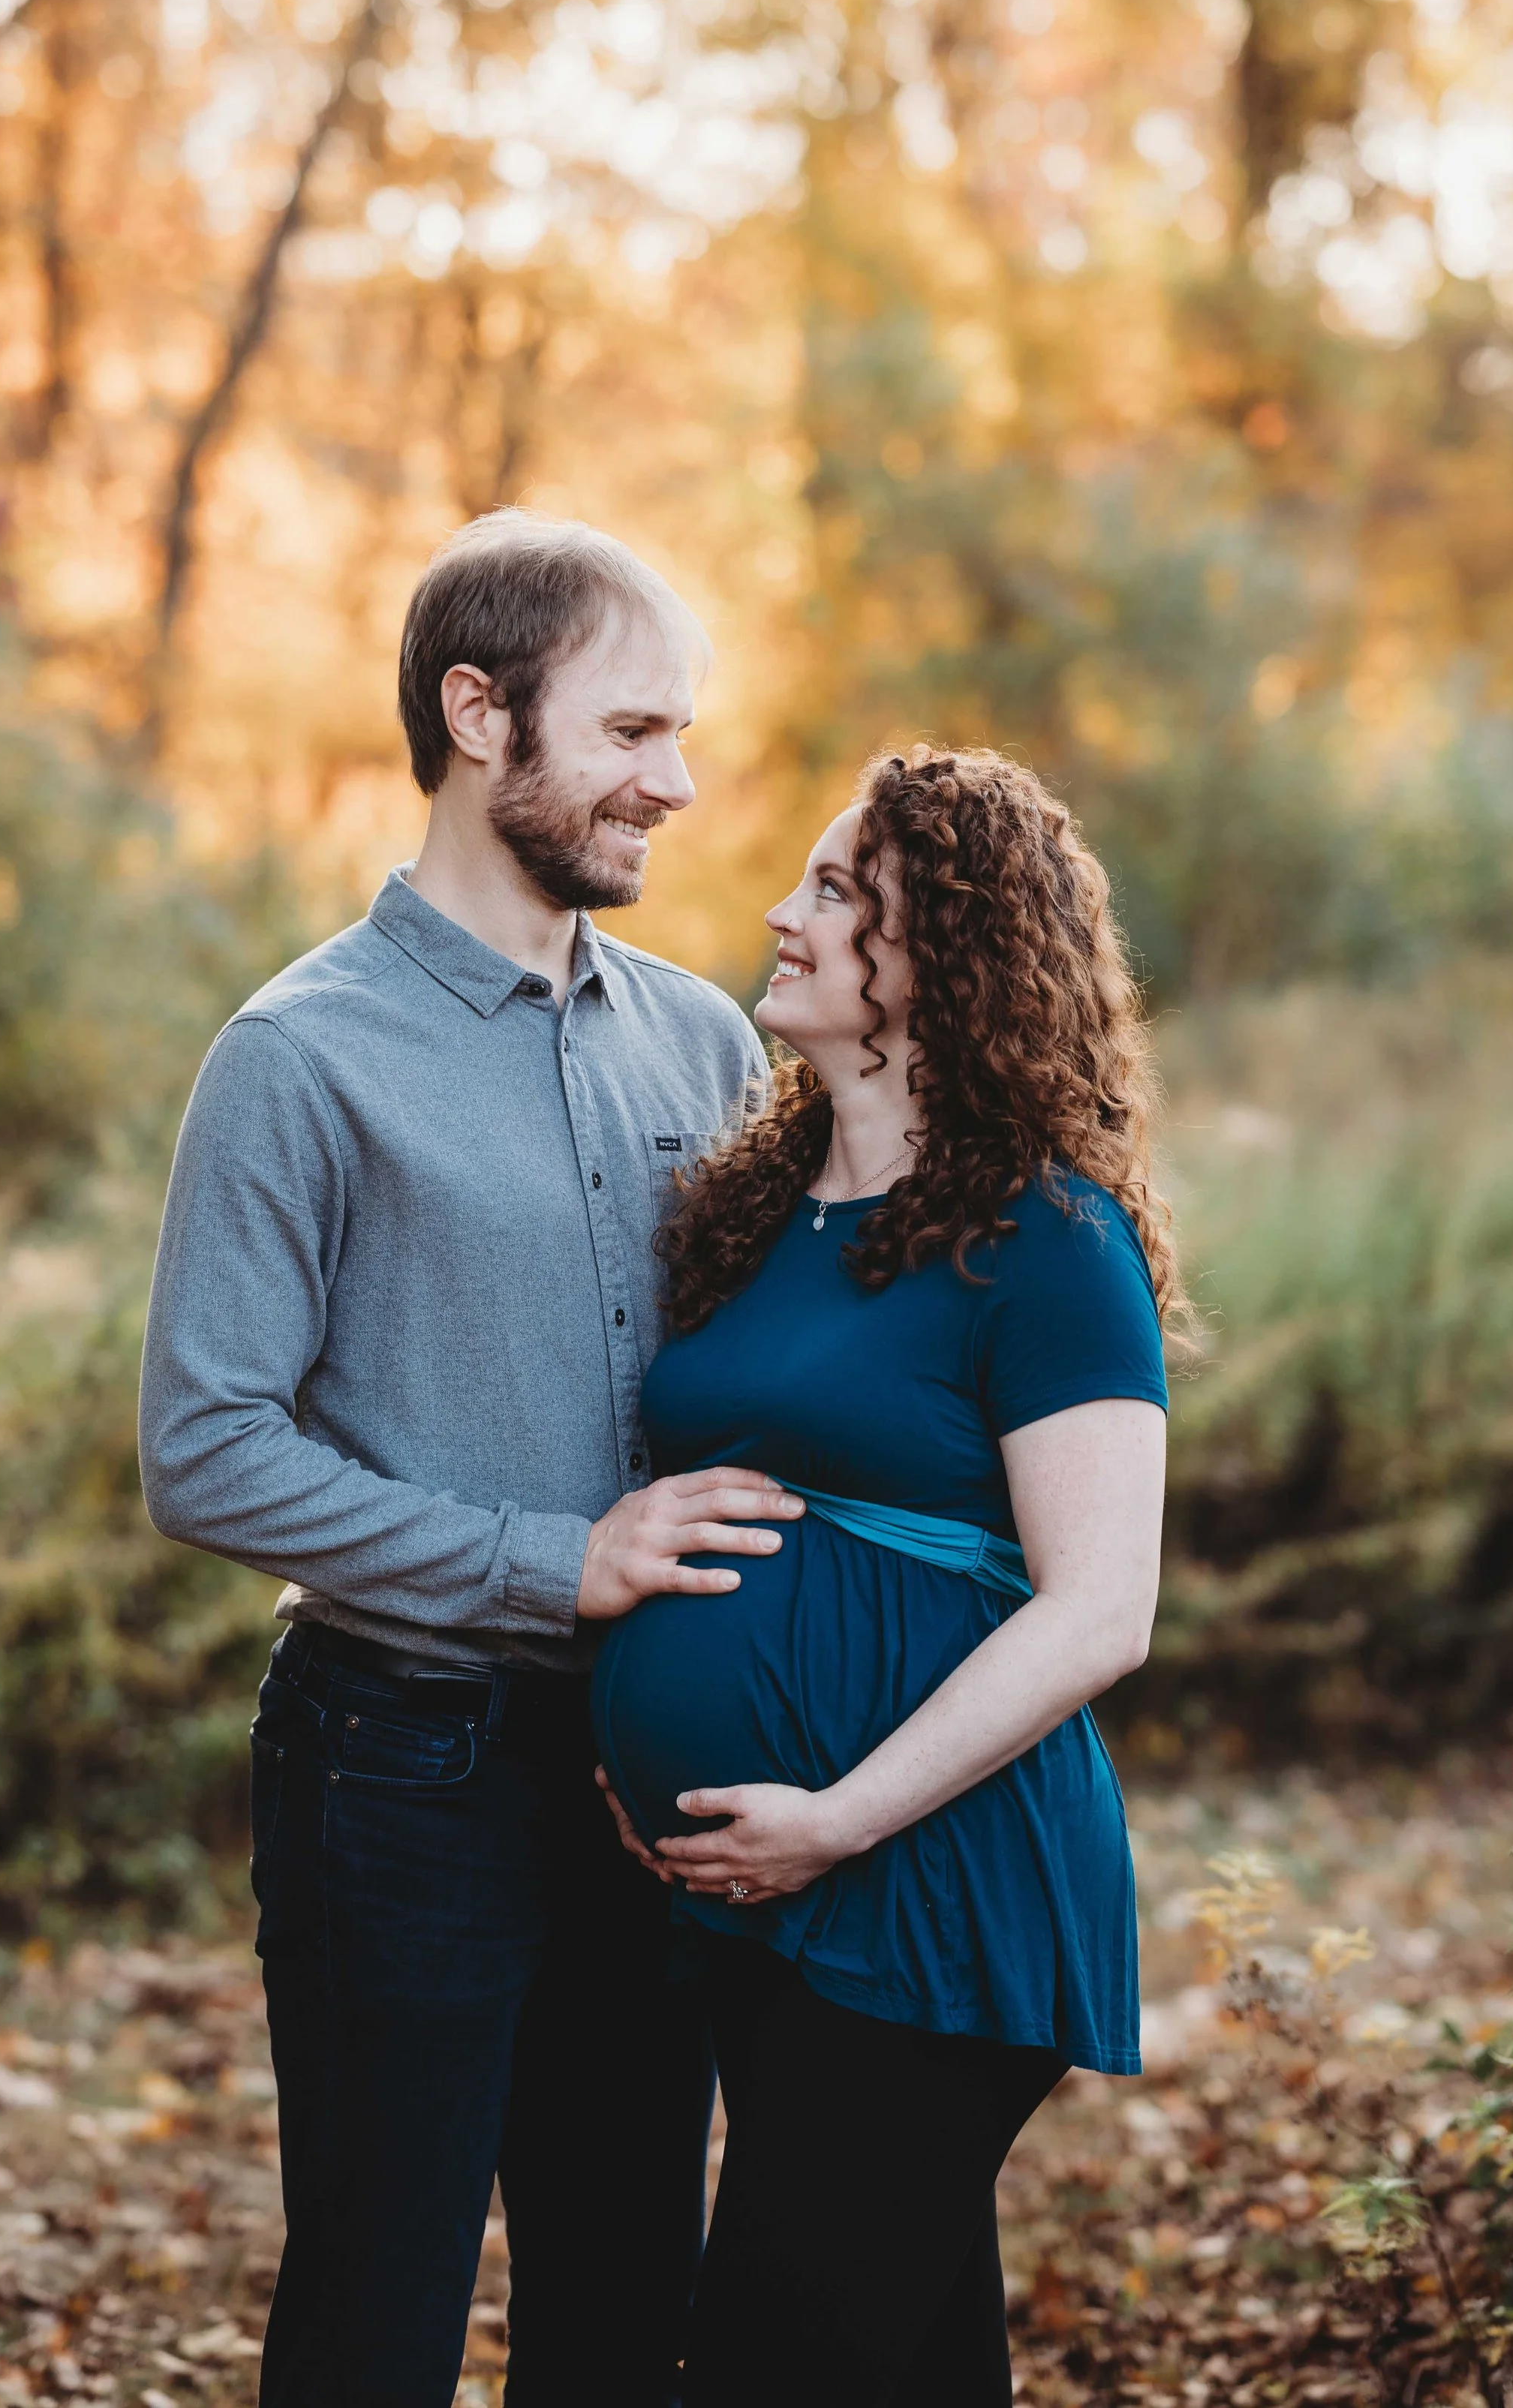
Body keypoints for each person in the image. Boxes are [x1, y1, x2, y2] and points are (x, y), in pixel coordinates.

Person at [137, 510, 799, 2408]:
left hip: (649, 1771)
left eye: (682, 737)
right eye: (630, 733)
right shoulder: (297, 1055)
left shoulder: (701, 1046)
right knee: (376, 2305)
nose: (673, 784)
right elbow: (205, 1450)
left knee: (618, 2307)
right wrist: (552, 1558)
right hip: (393, 1771)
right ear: (474, 713)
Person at [591, 744, 1176, 2408]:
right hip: (758, 1894)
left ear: (951, 954)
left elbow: (1100, 1605)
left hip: (939, 1885)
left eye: (839, 890)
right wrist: (627, 1732)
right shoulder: (759, 1203)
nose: (783, 911)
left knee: (769, 2362)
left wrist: (834, 1818)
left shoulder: (1045, 1236)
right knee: (903, 2362)